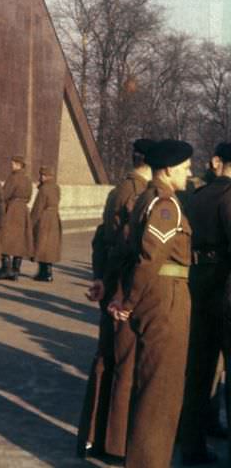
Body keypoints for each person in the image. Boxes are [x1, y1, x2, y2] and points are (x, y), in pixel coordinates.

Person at [108, 139, 193, 468]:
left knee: (146, 383)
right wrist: (128, 301)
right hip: (165, 298)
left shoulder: (146, 197)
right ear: (168, 170)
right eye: (185, 168)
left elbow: (127, 252)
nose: (190, 173)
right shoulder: (166, 205)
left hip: (153, 295)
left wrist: (122, 294)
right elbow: (148, 258)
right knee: (162, 390)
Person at [77, 138, 154, 461]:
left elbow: (100, 239)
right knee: (124, 365)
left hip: (110, 281)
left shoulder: (118, 189)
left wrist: (99, 277)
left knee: (107, 359)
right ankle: (115, 443)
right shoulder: (137, 195)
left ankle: (94, 436)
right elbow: (128, 248)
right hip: (122, 284)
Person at [180, 141, 231, 466]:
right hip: (227, 291)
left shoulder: (196, 197)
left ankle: (192, 446)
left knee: (198, 373)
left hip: (199, 289)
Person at [0, 155, 33, 280]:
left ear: (19, 165)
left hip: (12, 209)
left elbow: (4, 194)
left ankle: (6, 269)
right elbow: (29, 197)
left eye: (13, 163)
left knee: (5, 239)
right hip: (23, 210)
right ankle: (16, 271)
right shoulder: (28, 180)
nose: (11, 165)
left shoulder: (13, 178)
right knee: (20, 242)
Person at [31, 165, 62, 281]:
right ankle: (48, 272)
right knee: (50, 247)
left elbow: (38, 206)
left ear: (44, 176)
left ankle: (43, 273)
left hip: (44, 218)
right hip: (54, 217)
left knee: (41, 245)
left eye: (42, 175)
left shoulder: (44, 189)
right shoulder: (56, 187)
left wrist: (31, 221)